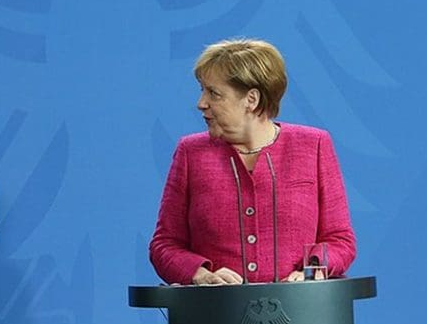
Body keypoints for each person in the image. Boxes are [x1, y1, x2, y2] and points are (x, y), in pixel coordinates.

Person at [149, 39, 355, 285]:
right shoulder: (190, 152)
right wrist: (202, 276)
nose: (201, 103)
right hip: (213, 313)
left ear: (252, 99)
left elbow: (340, 240)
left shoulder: (314, 145)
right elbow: (165, 245)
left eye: (213, 93)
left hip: (300, 313)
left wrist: (313, 271)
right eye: (202, 90)